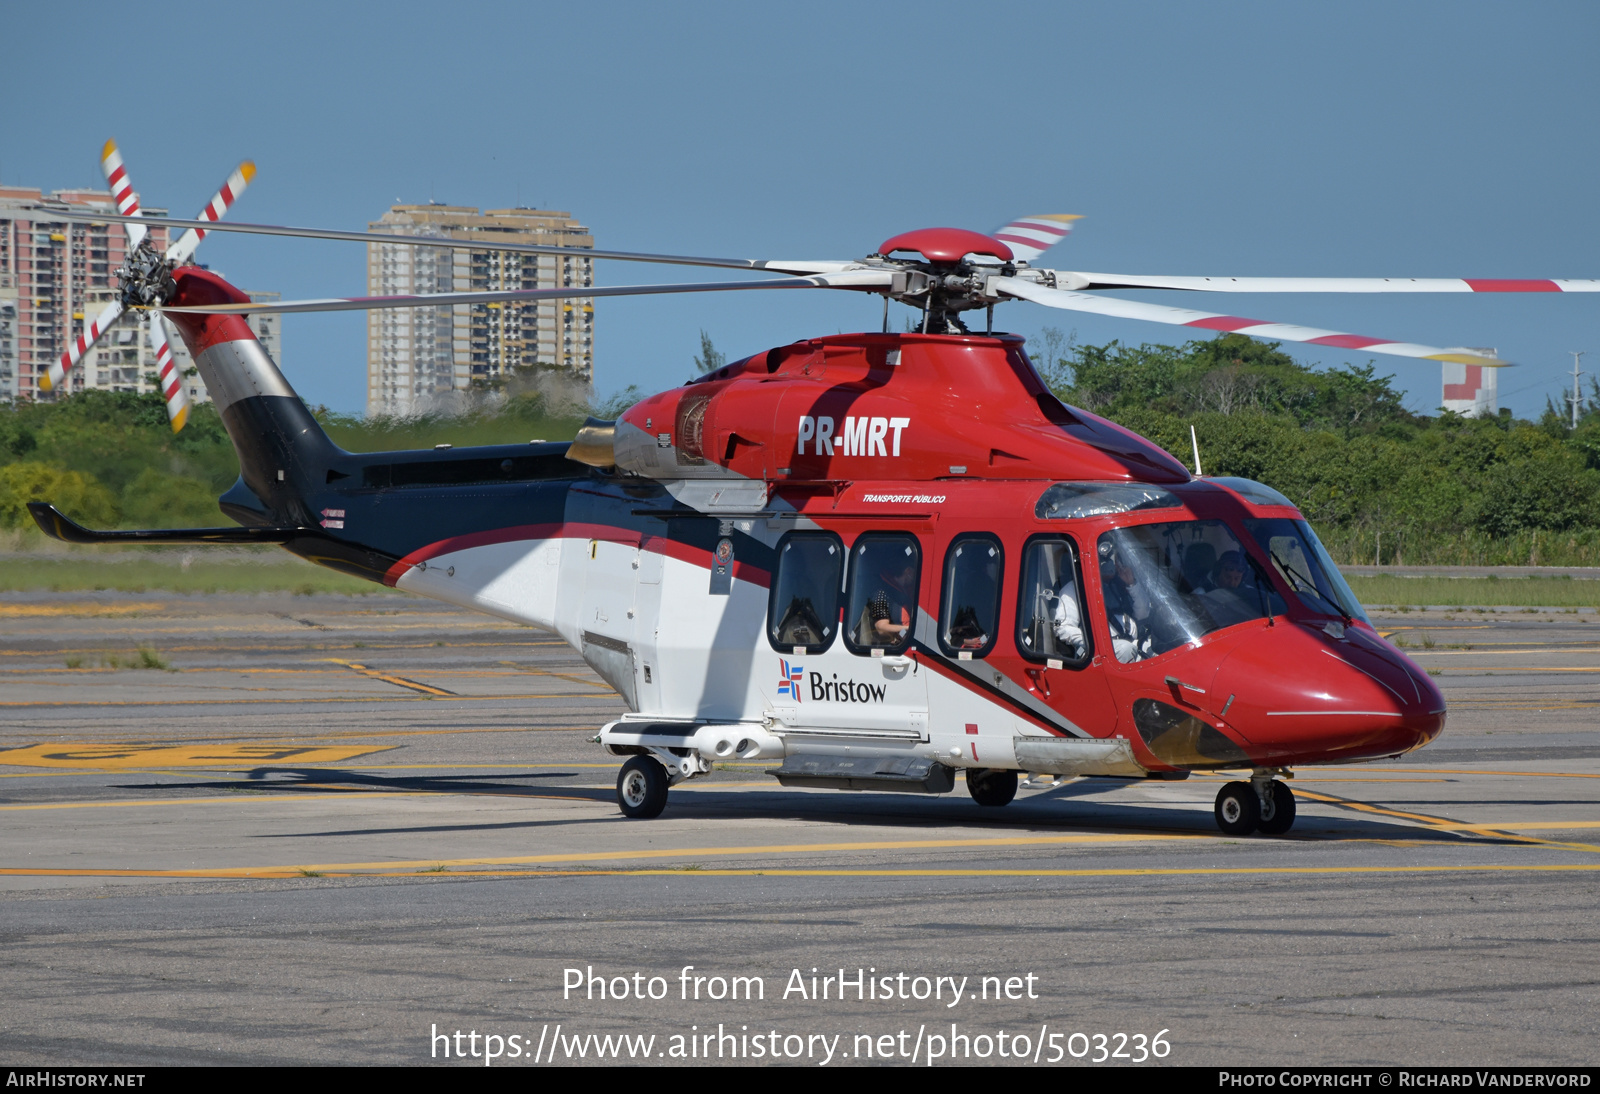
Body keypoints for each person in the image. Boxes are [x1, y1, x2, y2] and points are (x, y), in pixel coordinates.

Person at [1100, 541, 1152, 663]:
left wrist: (1131, 583)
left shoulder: (1121, 584)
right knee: (1126, 649)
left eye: (1114, 562)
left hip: (1134, 641)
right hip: (1103, 650)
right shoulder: (1076, 588)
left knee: (1158, 648)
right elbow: (1066, 628)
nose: (1109, 565)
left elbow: (1143, 613)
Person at [1201, 550, 1260, 628]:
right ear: (1218, 572)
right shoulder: (1201, 594)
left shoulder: (1251, 593)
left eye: (1237, 578)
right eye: (1228, 577)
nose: (1232, 583)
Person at [866, 559, 916, 646]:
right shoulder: (882, 593)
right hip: (892, 648)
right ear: (908, 571)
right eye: (914, 573)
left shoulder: (905, 592)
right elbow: (881, 627)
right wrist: (909, 629)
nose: (915, 577)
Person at [1051, 574, 1087, 659]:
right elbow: (1063, 627)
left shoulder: (1117, 588)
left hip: (1115, 641)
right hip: (1090, 648)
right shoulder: (1074, 589)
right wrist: (1090, 642)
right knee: (1124, 648)